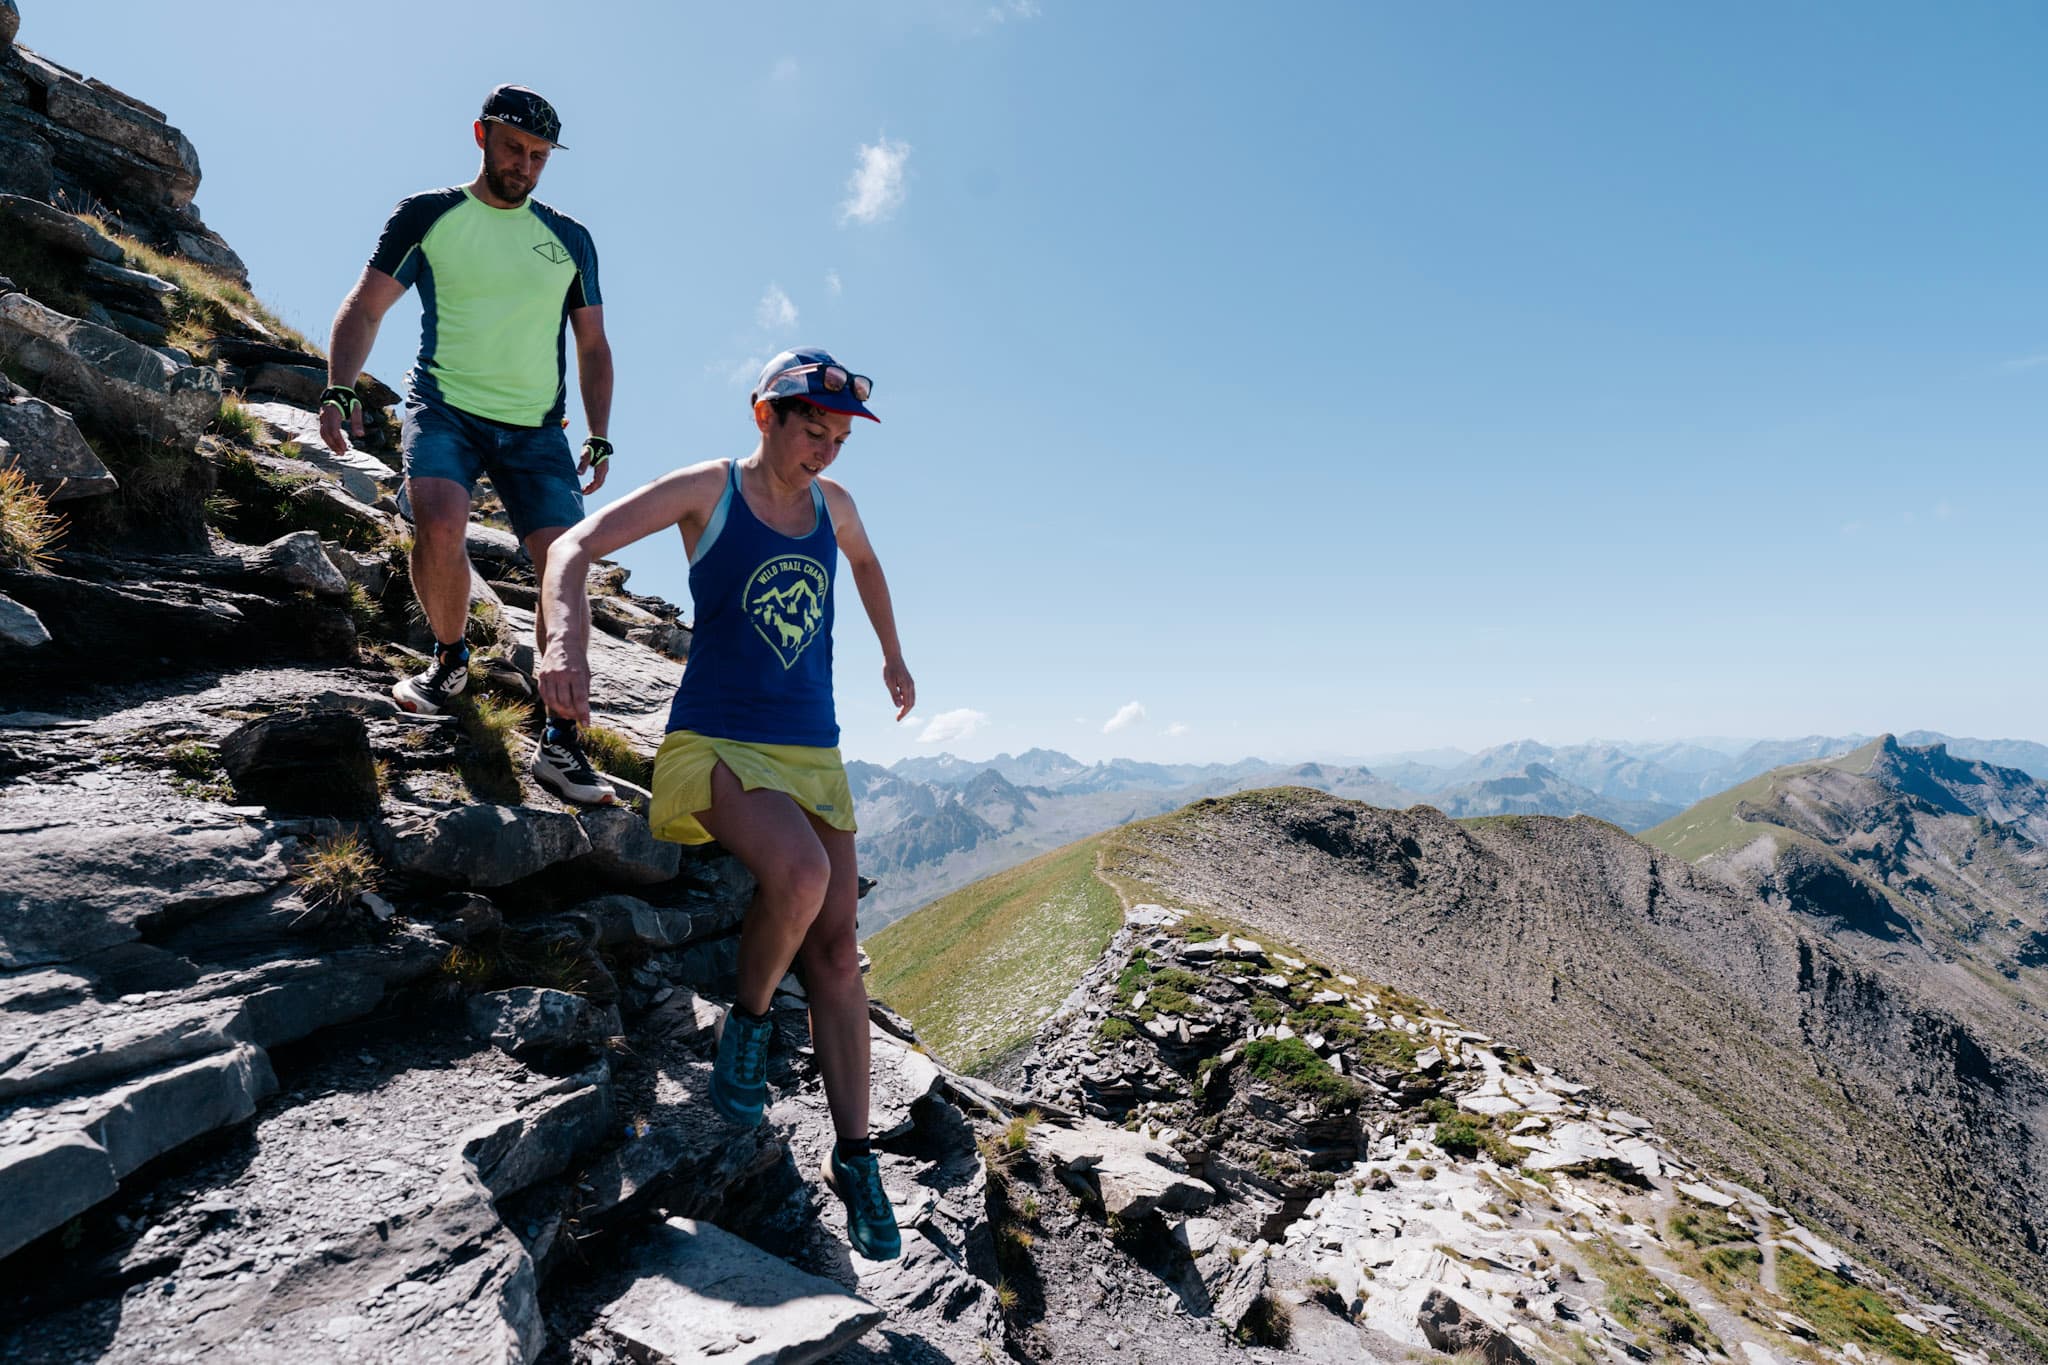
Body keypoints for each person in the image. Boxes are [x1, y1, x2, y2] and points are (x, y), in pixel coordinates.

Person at [537, 348, 915, 1261]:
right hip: (715, 740)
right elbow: (569, 545)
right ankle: (747, 1022)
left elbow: (864, 565)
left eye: (837, 439)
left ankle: (855, 1156)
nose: (824, 452)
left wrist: (892, 654)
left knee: (836, 948)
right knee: (800, 873)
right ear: (765, 414)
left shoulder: (836, 508)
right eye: (810, 431)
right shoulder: (709, 490)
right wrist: (563, 638)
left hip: (811, 748)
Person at [319, 83, 618, 805]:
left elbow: (595, 345)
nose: (525, 165)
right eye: (514, 148)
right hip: (445, 405)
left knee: (561, 565)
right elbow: (365, 305)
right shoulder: (427, 215)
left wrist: (601, 432)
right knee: (441, 520)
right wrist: (338, 386)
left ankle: (561, 737)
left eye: (539, 156)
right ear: (481, 136)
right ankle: (449, 659)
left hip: (538, 430)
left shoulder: (570, 239)